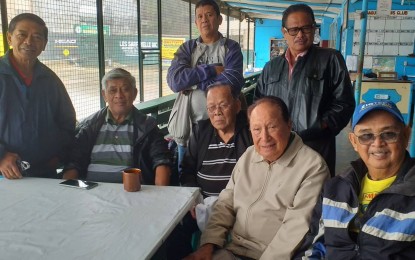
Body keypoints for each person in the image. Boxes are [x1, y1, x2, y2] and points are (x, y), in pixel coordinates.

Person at [185, 96, 330, 260]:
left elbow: (295, 229)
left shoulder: (312, 167)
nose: (265, 137)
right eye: (256, 129)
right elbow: (226, 202)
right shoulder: (249, 155)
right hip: (233, 249)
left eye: (272, 127)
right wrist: (208, 245)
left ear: (289, 125)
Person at [294, 101, 415, 260]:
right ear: (353, 142)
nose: (377, 143)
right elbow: (314, 244)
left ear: (406, 135)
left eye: (389, 134)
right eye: (366, 136)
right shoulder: (335, 188)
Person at [254, 4, 355, 176]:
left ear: (314, 28)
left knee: (314, 193)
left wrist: (320, 125)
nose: (300, 34)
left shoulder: (330, 59)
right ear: (284, 32)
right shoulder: (271, 67)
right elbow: (259, 103)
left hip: (316, 145)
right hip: (278, 145)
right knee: (278, 191)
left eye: (306, 28)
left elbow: (344, 102)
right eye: (293, 30)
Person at [167, 83, 252, 259]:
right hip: (202, 203)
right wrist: (195, 199)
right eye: (211, 107)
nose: (217, 112)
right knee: (170, 231)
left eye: (223, 105)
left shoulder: (250, 131)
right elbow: (187, 169)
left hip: (239, 207)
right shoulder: (201, 130)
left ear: (237, 106)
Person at [167, 0, 244, 173]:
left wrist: (193, 83)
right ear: (195, 22)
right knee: (186, 173)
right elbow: (175, 81)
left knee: (223, 172)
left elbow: (232, 82)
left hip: (223, 126)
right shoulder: (188, 48)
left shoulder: (231, 47)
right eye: (200, 16)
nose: (204, 20)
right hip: (188, 127)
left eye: (209, 15)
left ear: (219, 19)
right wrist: (211, 70)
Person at [63, 68, 171, 185]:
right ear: (104, 95)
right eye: (113, 90)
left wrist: (159, 195)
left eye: (125, 89)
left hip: (132, 193)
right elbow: (73, 162)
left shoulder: (147, 127)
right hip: (91, 193)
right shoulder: (90, 126)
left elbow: (161, 161)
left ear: (134, 93)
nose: (119, 95)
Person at [0, 13, 76, 179]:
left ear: (44, 44)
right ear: (9, 37)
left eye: (36, 37)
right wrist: (1, 157)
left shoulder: (51, 80)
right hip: (4, 175)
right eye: (22, 35)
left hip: (44, 174)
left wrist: (58, 155)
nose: (29, 42)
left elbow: (67, 121)